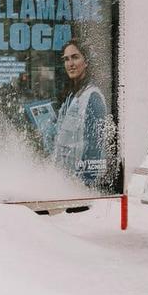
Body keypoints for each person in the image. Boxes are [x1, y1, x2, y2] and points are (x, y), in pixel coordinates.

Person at [48, 39, 111, 189]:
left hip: (79, 186)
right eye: (66, 59)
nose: (70, 64)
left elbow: (94, 149)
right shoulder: (72, 95)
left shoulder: (92, 97)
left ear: (86, 61)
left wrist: (83, 187)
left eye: (75, 57)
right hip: (64, 181)